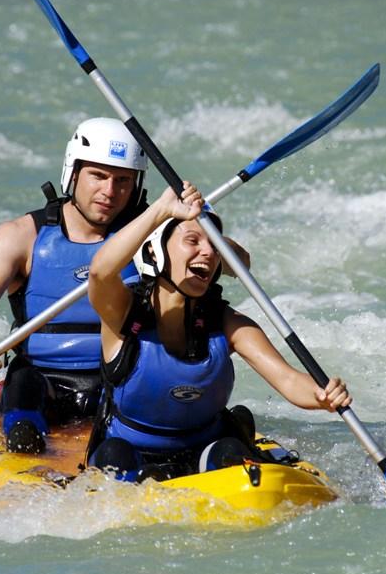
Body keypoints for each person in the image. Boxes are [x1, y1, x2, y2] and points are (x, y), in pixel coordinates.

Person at [0, 118, 249, 455]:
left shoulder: (156, 234)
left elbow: (240, 264)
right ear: (73, 173)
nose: (109, 191)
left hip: (125, 377)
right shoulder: (20, 237)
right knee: (23, 387)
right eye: (98, 176)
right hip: (42, 382)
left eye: (123, 180)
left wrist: (198, 224)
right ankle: (24, 438)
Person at [85, 182, 352, 481]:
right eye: (193, 240)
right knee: (115, 457)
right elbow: (100, 272)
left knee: (230, 451)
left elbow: (289, 380)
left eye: (215, 246)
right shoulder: (123, 313)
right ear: (154, 250)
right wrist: (161, 210)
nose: (208, 253)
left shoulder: (226, 322)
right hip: (130, 451)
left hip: (205, 450)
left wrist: (322, 396)